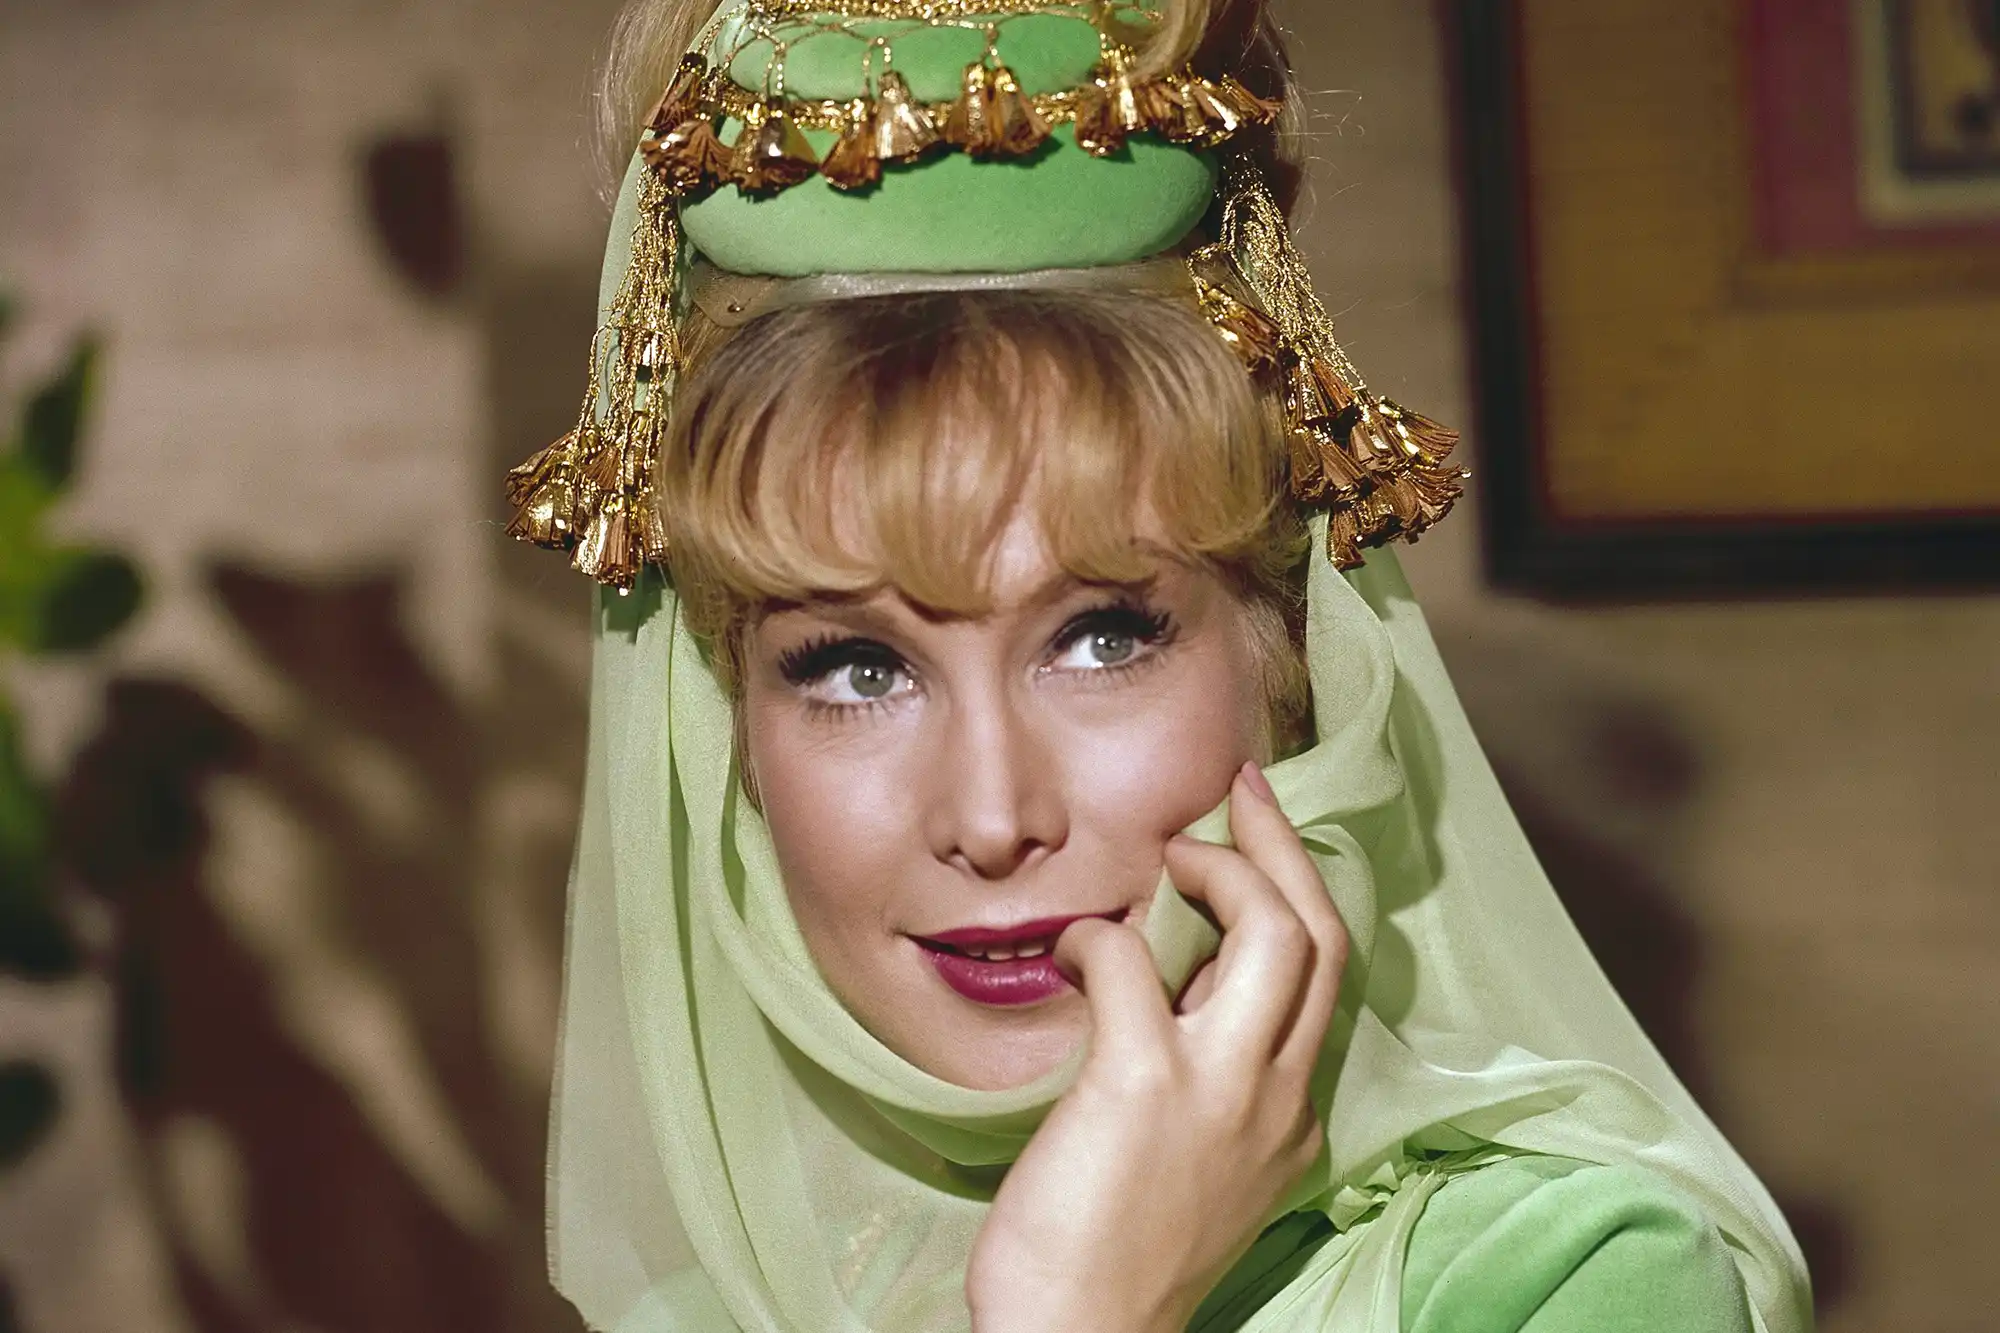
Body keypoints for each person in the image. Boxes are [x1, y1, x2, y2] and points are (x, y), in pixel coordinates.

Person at [510, 3, 1815, 1330]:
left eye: (1100, 640)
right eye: (856, 669)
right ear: (730, 730)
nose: (992, 818)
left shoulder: (1570, 1281)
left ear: (1291, 668)